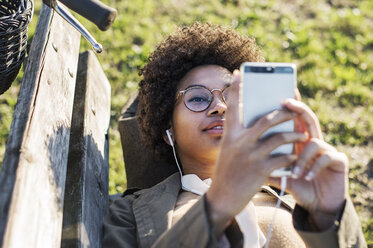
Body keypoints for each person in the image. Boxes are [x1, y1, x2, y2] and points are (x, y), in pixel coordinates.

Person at [103, 22, 367, 248]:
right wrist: (218, 205)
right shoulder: (128, 212)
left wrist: (328, 218)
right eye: (197, 98)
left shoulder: (301, 202)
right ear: (167, 129)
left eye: (233, 96)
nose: (220, 106)